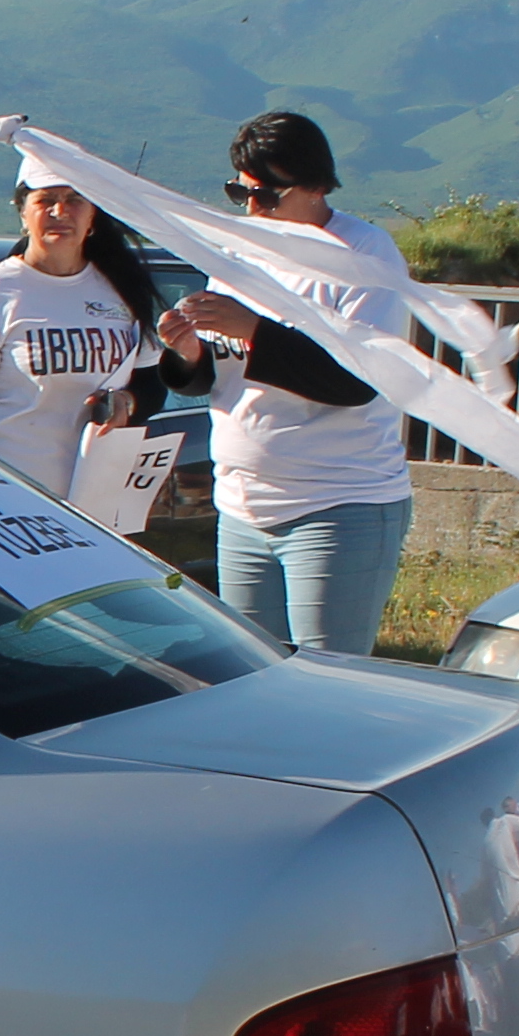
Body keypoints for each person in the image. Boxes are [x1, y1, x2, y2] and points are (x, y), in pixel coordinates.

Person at [161, 111, 413, 654]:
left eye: (268, 196)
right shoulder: (237, 254)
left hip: (337, 505)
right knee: (257, 677)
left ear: (317, 186)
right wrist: (186, 354)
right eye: (239, 192)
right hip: (242, 506)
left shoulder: (363, 255)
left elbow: (356, 381)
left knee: (330, 684)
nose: (253, 209)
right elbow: (222, 372)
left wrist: (253, 328)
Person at [0, 166, 199, 492]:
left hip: (99, 497)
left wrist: (126, 403)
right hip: (10, 492)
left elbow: (151, 387)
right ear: (23, 213)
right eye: (46, 201)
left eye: (74, 200)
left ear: (92, 215)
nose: (61, 211)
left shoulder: (122, 288)